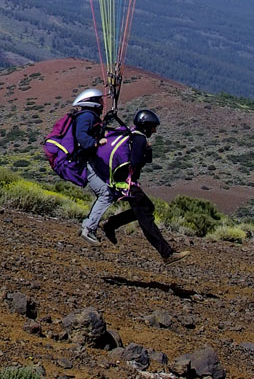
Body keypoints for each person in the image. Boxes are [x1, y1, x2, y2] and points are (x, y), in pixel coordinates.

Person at [96, 109, 188, 263]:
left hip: (123, 182)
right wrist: (147, 152)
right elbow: (136, 161)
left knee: (147, 208)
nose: (154, 130)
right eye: (153, 127)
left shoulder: (132, 133)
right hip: (128, 183)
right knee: (146, 215)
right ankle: (166, 253)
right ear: (146, 126)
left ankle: (110, 224)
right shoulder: (139, 138)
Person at [65, 88, 116, 246]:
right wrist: (95, 143)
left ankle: (88, 225)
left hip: (88, 161)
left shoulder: (89, 116)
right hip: (85, 162)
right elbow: (81, 136)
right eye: (100, 100)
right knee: (106, 194)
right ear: (92, 101)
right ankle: (89, 228)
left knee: (107, 192)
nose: (102, 102)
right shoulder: (86, 116)